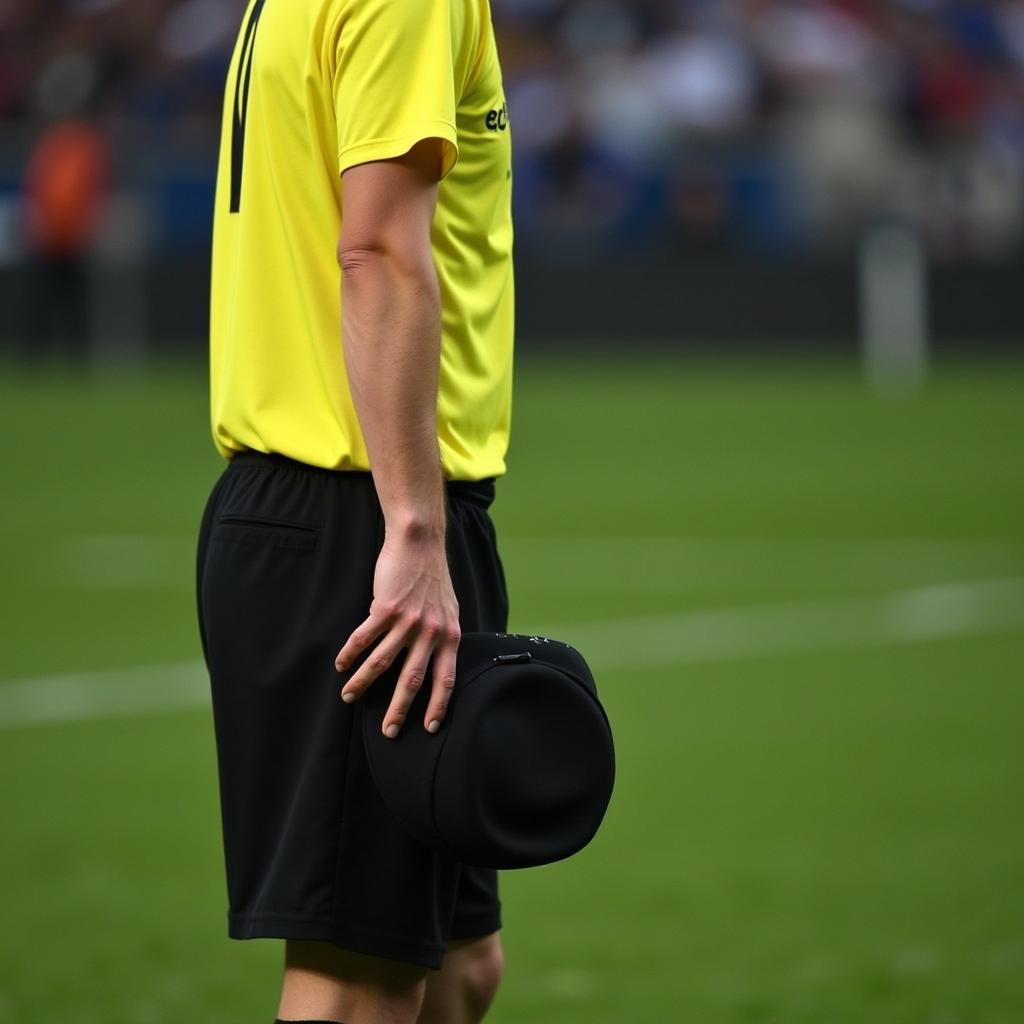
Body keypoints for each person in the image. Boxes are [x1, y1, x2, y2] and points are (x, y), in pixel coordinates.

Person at [195, 0, 515, 1021]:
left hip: (338, 508)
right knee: (354, 979)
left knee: (460, 967)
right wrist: (414, 530)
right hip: (363, 518)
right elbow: (375, 250)